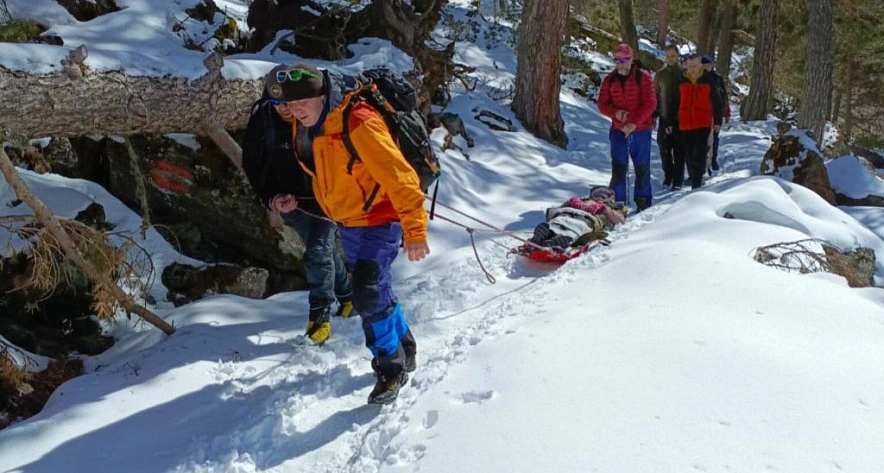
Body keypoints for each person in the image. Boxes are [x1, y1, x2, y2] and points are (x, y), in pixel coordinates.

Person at [264, 63, 427, 405]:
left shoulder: (358, 120)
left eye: (302, 103)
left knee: (366, 292)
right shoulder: (312, 123)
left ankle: (390, 367)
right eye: (290, 105)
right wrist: (297, 199)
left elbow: (402, 178)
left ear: (322, 95)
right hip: (349, 222)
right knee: (376, 288)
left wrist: (415, 230)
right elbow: (329, 172)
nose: (295, 111)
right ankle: (405, 346)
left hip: (381, 217)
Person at [241, 74, 354, 347]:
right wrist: (273, 199)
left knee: (317, 251)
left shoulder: (315, 117)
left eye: (288, 101)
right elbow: (253, 167)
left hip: (326, 198)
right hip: (291, 203)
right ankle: (349, 295)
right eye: (276, 102)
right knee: (323, 250)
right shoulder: (262, 122)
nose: (284, 108)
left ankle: (319, 318)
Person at [597, 44, 658, 211]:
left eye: (623, 60)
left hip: (641, 130)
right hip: (618, 129)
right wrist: (616, 113)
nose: (620, 64)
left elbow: (651, 103)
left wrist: (634, 123)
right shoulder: (610, 80)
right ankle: (618, 203)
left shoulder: (643, 77)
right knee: (618, 167)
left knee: (642, 166)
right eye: (617, 60)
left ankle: (643, 201)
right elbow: (602, 104)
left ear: (631, 60)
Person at [675, 54, 724, 190]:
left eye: (695, 66)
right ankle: (693, 177)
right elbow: (675, 101)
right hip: (685, 122)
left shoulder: (709, 80)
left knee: (700, 152)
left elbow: (717, 101)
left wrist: (717, 121)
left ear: (701, 66)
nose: (692, 69)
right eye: (690, 66)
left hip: (703, 122)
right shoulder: (681, 79)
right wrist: (672, 120)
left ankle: (697, 182)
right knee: (689, 153)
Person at [528, 186, 627, 251]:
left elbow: (621, 221)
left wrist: (606, 209)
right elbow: (556, 211)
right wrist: (569, 203)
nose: (599, 196)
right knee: (558, 222)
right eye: (596, 193)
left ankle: (558, 241)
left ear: (609, 198)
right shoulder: (581, 201)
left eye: (604, 195)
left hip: (587, 220)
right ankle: (545, 234)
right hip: (567, 214)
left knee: (577, 227)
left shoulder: (611, 207)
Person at [655, 44, 685, 190]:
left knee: (679, 150)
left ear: (678, 56)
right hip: (664, 117)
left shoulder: (685, 73)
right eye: (667, 55)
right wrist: (655, 114)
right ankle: (668, 176)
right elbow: (656, 96)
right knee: (664, 149)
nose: (670, 58)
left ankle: (678, 180)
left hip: (681, 118)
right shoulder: (660, 74)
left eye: (673, 55)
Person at [701, 55, 731, 175]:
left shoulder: (717, 78)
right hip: (702, 114)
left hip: (715, 113)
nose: (706, 67)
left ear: (712, 65)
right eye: (704, 65)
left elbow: (723, 97)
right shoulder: (698, 78)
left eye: (708, 65)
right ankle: (705, 163)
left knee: (714, 138)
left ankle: (713, 159)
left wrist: (726, 112)